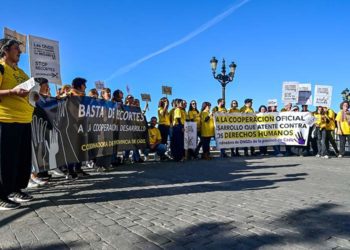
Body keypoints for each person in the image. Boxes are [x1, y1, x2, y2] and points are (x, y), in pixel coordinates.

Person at [0, 39, 34, 210]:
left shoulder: (21, 72)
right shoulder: (1, 67)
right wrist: (12, 91)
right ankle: (1, 196)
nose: (20, 52)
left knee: (21, 160)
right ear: (5, 50)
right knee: (5, 161)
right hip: (6, 120)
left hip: (24, 120)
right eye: (16, 48)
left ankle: (15, 190)